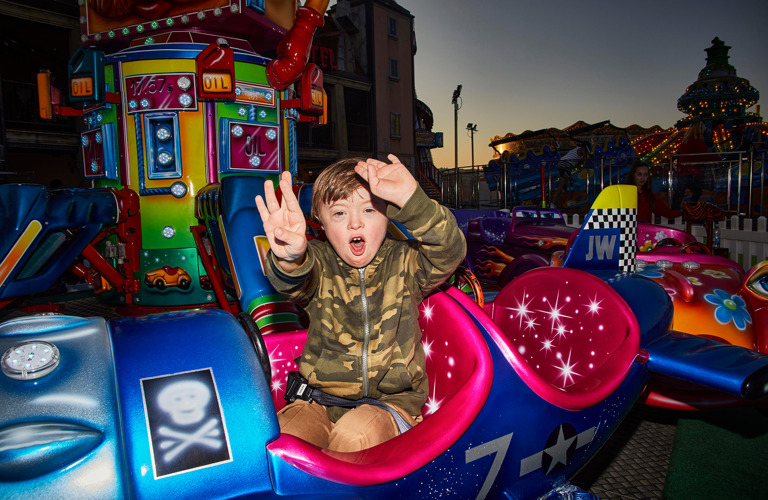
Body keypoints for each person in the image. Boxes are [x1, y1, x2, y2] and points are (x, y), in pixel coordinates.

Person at [255, 154, 466, 452]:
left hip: (390, 406)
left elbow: (449, 249)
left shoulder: (404, 261)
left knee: (355, 438)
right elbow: (293, 281)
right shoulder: (318, 263)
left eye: (369, 209)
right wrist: (289, 260)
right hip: (318, 400)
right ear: (321, 223)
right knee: (283, 444)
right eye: (339, 213)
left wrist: (413, 202)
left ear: (388, 215)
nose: (355, 222)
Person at [672, 122, 720, 209]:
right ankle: (690, 209)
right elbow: (702, 156)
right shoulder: (697, 141)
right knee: (697, 191)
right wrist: (718, 157)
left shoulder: (685, 141)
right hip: (692, 172)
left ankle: (675, 211)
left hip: (683, 171)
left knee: (680, 193)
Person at [550, 144, 590, 208]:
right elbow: (581, 152)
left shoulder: (577, 154)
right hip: (565, 165)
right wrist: (587, 155)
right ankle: (553, 202)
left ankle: (569, 200)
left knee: (571, 182)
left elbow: (576, 163)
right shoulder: (580, 149)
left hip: (566, 165)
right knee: (562, 184)